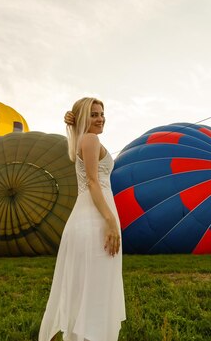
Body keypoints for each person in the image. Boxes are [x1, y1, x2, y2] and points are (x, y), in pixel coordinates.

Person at [39, 97, 126, 341]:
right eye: (94, 114)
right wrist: (110, 222)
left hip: (92, 216)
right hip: (95, 220)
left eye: (102, 113)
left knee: (92, 287)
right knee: (95, 289)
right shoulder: (90, 138)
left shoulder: (84, 139)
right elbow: (92, 181)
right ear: (83, 120)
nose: (101, 119)